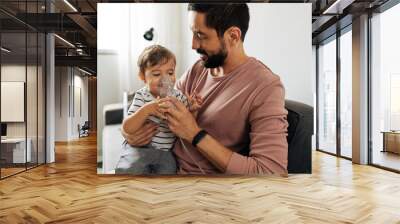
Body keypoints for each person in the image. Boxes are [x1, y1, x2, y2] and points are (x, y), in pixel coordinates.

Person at [122, 3, 288, 175]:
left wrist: (194, 134)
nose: (193, 45)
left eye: (200, 35)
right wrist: (128, 133)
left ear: (233, 36)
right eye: (193, 33)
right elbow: (156, 106)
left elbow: (271, 172)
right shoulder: (199, 68)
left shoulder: (265, 86)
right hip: (160, 167)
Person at [115, 45, 202, 174]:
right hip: (140, 149)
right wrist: (147, 110)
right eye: (156, 74)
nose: (165, 79)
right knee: (130, 170)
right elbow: (127, 127)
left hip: (165, 153)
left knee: (168, 174)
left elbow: (188, 124)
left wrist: (193, 110)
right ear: (142, 77)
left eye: (170, 73)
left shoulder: (178, 96)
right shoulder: (142, 96)